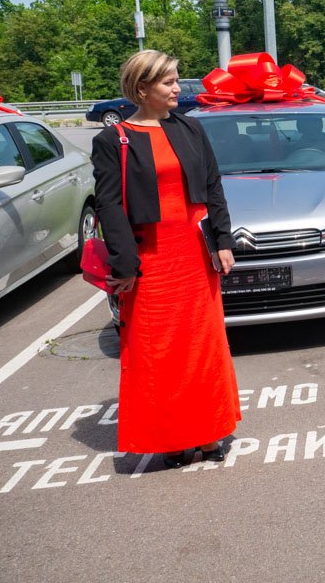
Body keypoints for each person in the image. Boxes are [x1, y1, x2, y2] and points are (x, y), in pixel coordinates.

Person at [91, 51, 241, 469]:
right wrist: (124, 265)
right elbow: (109, 205)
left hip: (194, 255)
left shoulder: (191, 128)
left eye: (176, 80)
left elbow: (213, 185)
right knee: (158, 352)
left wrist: (223, 240)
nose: (178, 88)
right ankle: (172, 438)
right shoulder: (113, 140)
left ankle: (209, 434)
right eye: (168, 82)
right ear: (142, 89)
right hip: (150, 260)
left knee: (201, 347)